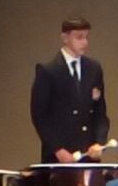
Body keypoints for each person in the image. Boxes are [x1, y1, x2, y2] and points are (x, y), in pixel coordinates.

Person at [29, 14, 109, 165]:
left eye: (86, 37)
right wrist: (58, 149)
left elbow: (100, 112)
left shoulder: (93, 68)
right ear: (65, 38)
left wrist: (99, 142)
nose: (85, 42)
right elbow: (40, 116)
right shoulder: (48, 71)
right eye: (79, 37)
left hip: (88, 155)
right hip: (60, 156)